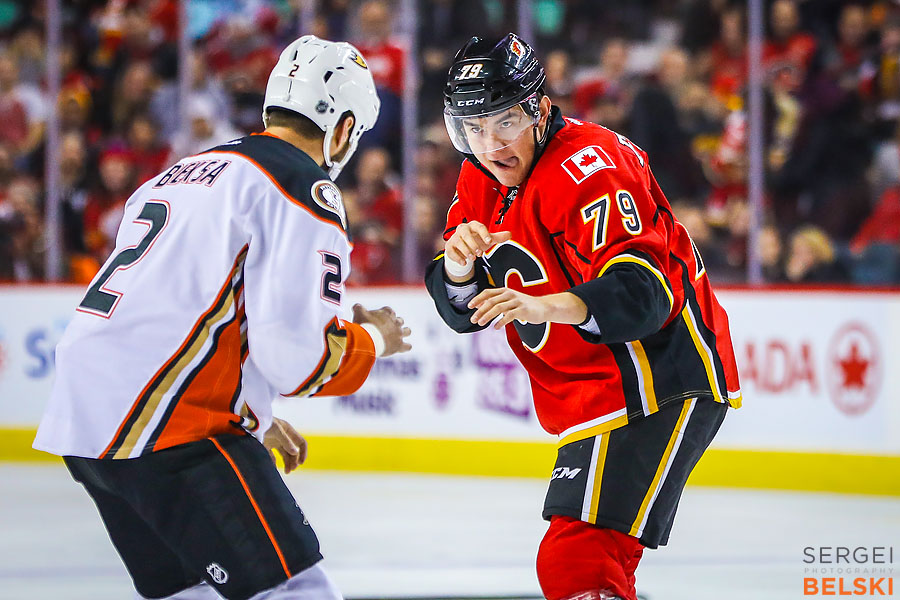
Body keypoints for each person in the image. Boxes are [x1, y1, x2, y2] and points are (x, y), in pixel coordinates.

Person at [33, 36, 411, 600]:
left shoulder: (182, 171)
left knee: (192, 594)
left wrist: (249, 410)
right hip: (169, 426)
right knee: (297, 592)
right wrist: (375, 340)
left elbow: (184, 307)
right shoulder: (301, 186)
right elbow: (296, 361)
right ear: (342, 126)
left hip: (85, 420)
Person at [425, 34, 741, 600]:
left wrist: (546, 306)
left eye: (503, 121)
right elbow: (463, 313)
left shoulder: (591, 166)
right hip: (598, 393)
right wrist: (456, 268)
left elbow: (644, 292)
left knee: (580, 559)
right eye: (472, 127)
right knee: (584, 563)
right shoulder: (479, 177)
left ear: (541, 110)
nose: (489, 143)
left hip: (658, 376)